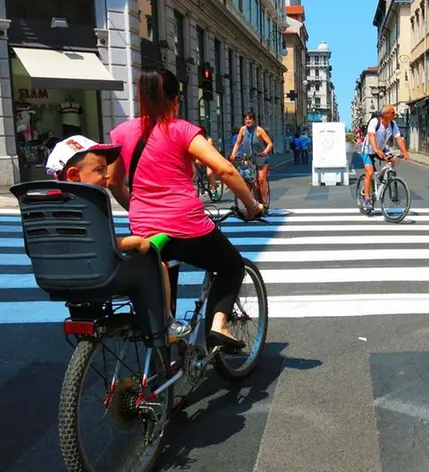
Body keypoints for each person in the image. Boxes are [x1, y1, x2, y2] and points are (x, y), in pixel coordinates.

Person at [106, 69, 264, 351]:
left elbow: (113, 182)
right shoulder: (180, 129)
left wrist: (141, 209)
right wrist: (252, 205)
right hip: (186, 226)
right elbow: (225, 169)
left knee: (164, 282)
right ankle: (219, 326)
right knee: (231, 265)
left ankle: (165, 365)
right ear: (174, 101)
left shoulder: (122, 133)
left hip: (144, 230)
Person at [45, 134, 191, 342]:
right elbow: (101, 241)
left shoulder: (48, 202)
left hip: (60, 275)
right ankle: (165, 323)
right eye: (99, 170)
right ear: (74, 175)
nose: (106, 176)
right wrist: (136, 241)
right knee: (156, 266)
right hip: (99, 273)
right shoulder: (88, 202)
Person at [359, 104, 410, 211]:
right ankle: (367, 198)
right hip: (369, 150)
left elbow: (398, 138)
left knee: (394, 159)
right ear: (386, 114)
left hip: (382, 149)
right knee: (369, 172)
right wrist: (376, 150)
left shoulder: (392, 124)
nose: (394, 114)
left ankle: (383, 175)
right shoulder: (374, 122)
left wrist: (404, 151)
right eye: (393, 113)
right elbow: (372, 136)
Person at [229, 112, 274, 211]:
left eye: (250, 119)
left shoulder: (259, 130)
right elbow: (238, 143)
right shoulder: (243, 130)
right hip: (248, 159)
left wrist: (264, 152)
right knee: (247, 180)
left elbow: (270, 144)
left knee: (261, 180)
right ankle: (250, 201)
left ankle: (264, 202)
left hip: (261, 158)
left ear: (254, 120)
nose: (248, 121)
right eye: (246, 119)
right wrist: (233, 154)